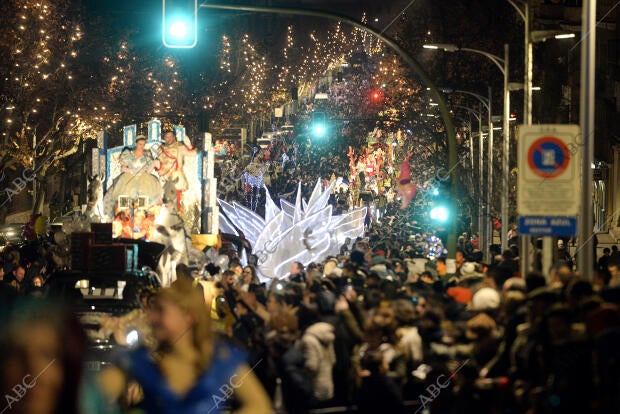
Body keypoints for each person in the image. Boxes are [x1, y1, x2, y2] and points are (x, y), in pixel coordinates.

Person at [98, 277, 272, 413]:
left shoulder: (219, 358)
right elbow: (92, 397)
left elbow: (260, 407)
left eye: (160, 310)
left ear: (188, 315)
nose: (151, 318)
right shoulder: (142, 361)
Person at [112, 135, 162, 207]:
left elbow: (148, 171)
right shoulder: (128, 153)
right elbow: (123, 169)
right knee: (125, 194)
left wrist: (153, 164)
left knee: (144, 196)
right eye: (140, 144)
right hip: (129, 177)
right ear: (136, 144)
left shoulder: (147, 154)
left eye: (144, 144)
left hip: (144, 179)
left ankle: (141, 213)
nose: (142, 146)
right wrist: (133, 170)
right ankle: (124, 215)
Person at [155, 130, 195, 212]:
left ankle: (176, 217)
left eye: (170, 136)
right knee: (163, 199)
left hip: (175, 175)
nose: (169, 139)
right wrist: (158, 167)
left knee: (175, 199)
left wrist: (189, 145)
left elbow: (192, 154)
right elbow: (159, 162)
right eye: (166, 137)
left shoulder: (179, 146)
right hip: (164, 176)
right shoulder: (160, 148)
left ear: (174, 137)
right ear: (164, 138)